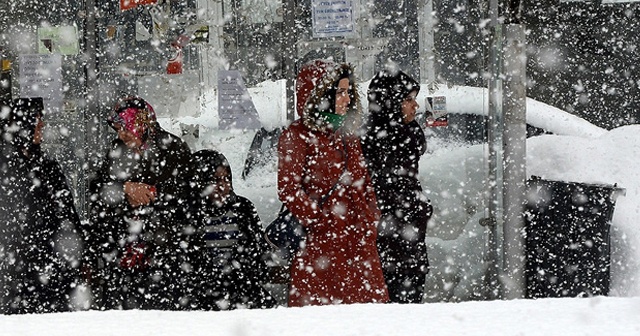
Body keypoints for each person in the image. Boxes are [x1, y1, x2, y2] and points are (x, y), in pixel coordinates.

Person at [277, 59, 389, 306]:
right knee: (322, 319)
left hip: (358, 243)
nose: (347, 99)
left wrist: (371, 218)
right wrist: (318, 221)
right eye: (340, 92)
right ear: (320, 95)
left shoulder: (347, 134)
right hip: (320, 245)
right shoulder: (297, 136)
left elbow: (364, 181)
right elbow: (288, 188)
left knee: (365, 319)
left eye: (349, 92)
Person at [86, 96, 194, 310]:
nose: (121, 134)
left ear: (142, 124)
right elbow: (96, 189)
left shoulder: (172, 148)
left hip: (165, 253)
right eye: (117, 129)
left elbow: (187, 194)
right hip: (123, 256)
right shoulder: (115, 152)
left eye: (125, 128)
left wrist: (152, 194)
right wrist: (124, 188)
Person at [0, 98, 83, 314]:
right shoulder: (8, 170)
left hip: (50, 272)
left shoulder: (47, 168)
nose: (41, 125)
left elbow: (67, 214)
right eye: (37, 119)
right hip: (17, 275)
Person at [361, 68, 432, 303]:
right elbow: (391, 194)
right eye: (409, 100)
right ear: (391, 102)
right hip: (392, 249)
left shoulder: (404, 134)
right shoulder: (380, 142)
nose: (416, 106)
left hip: (405, 247)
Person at [189, 149, 277, 310]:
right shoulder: (189, 214)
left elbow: (259, 256)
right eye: (214, 180)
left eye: (226, 179)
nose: (222, 186)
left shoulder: (243, 208)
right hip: (201, 297)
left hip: (242, 291)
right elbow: (187, 267)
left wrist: (238, 276)